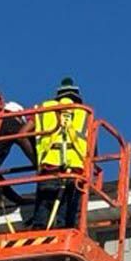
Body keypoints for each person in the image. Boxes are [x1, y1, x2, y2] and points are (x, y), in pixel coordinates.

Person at [30, 77, 90, 229]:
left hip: (49, 168)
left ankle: (40, 230)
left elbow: (22, 134)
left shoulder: (43, 109)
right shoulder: (85, 114)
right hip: (74, 170)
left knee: (42, 217)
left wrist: (36, 158)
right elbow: (91, 148)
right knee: (67, 221)